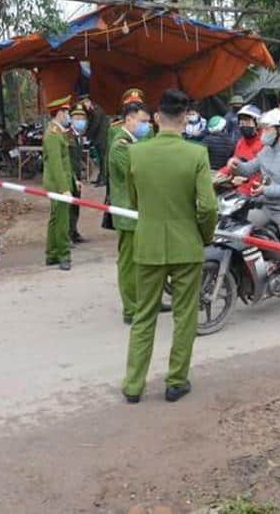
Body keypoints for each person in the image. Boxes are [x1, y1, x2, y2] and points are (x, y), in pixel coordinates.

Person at [122, 89, 217, 404]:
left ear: (157, 117)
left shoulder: (136, 153)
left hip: (148, 244)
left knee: (144, 316)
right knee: (184, 316)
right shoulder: (196, 154)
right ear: (186, 118)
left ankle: (133, 385)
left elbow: (134, 200)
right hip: (186, 245)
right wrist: (203, 236)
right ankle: (176, 382)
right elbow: (208, 207)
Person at [228, 109, 280, 326]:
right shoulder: (266, 151)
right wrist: (236, 165)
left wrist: (266, 190)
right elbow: (249, 169)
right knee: (238, 230)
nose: (263, 132)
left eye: (267, 128)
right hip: (268, 206)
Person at [108, 101, 153, 324]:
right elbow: (138, 174)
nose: (147, 126)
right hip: (127, 213)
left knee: (144, 261)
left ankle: (146, 302)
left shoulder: (135, 142)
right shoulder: (120, 146)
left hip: (139, 211)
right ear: (129, 119)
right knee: (128, 263)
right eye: (143, 121)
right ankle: (131, 309)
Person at [43, 95, 74, 270]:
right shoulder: (53, 135)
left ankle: (52, 253)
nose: (68, 115)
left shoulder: (58, 132)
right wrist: (64, 189)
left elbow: (65, 162)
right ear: (59, 113)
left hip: (60, 183)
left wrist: (74, 180)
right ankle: (64, 255)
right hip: (57, 185)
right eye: (66, 112)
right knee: (62, 221)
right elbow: (56, 165)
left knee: (55, 219)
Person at [217, 104, 264, 195]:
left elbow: (265, 173)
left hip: (255, 193)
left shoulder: (264, 143)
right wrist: (221, 173)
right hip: (240, 190)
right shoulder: (241, 142)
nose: (244, 125)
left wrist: (246, 180)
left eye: (247, 122)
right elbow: (234, 164)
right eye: (241, 123)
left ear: (257, 123)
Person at [67, 104, 88, 244]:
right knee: (68, 207)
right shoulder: (67, 135)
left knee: (76, 205)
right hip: (70, 176)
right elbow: (67, 160)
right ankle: (67, 234)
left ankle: (74, 232)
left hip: (77, 175)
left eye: (82, 118)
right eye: (77, 118)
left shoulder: (79, 135)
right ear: (71, 119)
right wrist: (73, 178)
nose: (80, 120)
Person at [80, 95, 109, 186]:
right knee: (99, 159)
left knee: (103, 159)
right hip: (97, 138)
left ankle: (103, 179)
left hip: (102, 138)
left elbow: (94, 125)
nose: (85, 108)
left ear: (88, 102)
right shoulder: (91, 111)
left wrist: (86, 137)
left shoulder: (97, 110)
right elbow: (90, 124)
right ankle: (100, 177)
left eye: (85, 105)